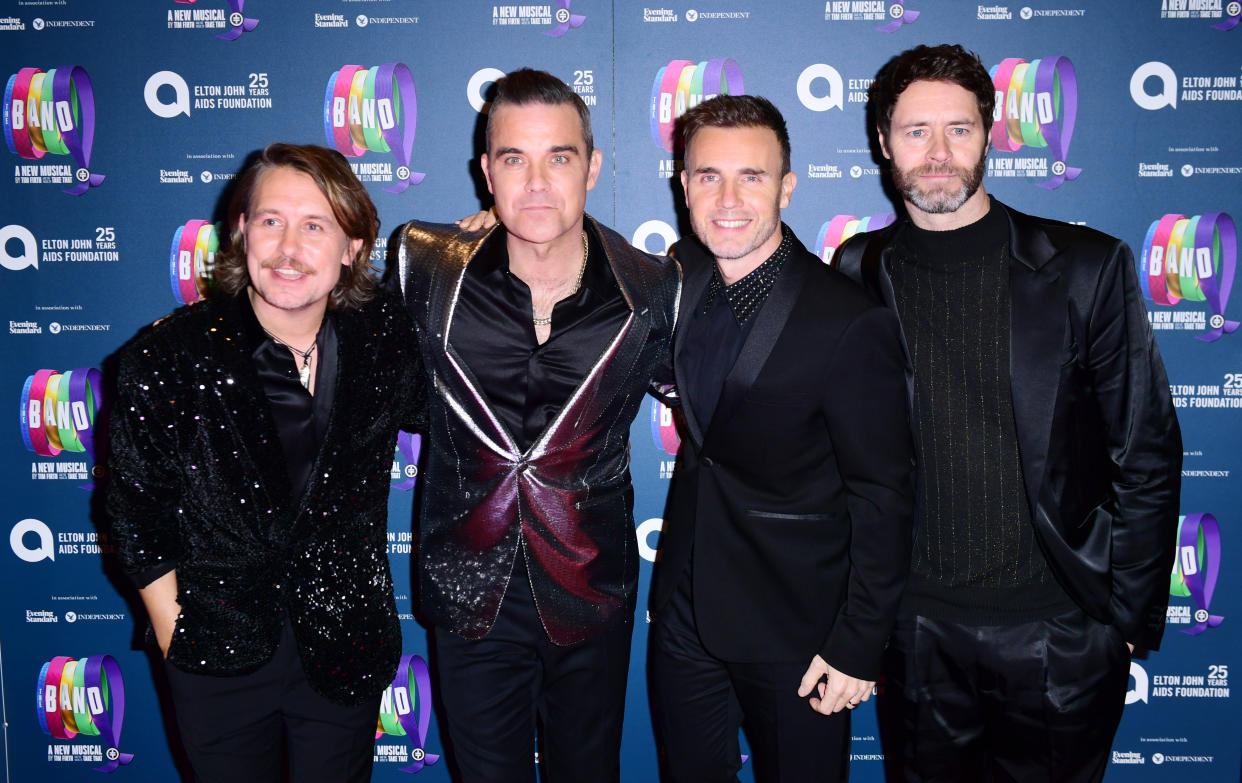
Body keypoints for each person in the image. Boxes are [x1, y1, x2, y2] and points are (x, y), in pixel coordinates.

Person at [834, 43, 1182, 783]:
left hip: (1060, 628)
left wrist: (1124, 621)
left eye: (957, 129)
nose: (937, 153)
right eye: (915, 131)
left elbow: (1145, 450)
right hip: (918, 629)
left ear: (989, 136)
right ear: (882, 143)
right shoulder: (857, 270)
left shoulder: (1087, 266)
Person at [388, 68, 680, 783]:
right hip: (468, 588)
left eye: (560, 157)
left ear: (593, 166)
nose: (538, 182)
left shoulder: (651, 289)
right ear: (486, 171)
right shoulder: (423, 263)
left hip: (590, 585)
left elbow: (724, 411)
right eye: (515, 159)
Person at [107, 143, 423, 783]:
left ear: (352, 248)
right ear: (241, 232)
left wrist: (489, 233)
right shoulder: (169, 357)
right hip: (216, 650)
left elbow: (466, 389)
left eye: (315, 226)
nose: (288, 247)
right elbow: (134, 512)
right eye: (271, 220)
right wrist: (177, 635)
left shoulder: (383, 340)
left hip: (345, 641)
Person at [646, 94, 915, 783]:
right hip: (684, 614)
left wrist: (860, 644)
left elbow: (883, 494)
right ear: (684, 185)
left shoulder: (847, 321)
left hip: (798, 632)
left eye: (753, 177)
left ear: (787, 186)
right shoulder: (682, 273)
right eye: (708, 176)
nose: (728, 197)